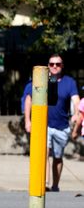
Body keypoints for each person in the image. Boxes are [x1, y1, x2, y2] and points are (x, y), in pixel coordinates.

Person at [24, 54, 80, 192]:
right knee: (43, 153)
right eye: (51, 64)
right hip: (44, 125)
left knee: (57, 158)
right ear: (48, 65)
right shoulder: (41, 80)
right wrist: (27, 120)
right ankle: (44, 184)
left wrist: (77, 114)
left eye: (58, 64)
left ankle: (55, 185)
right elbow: (29, 99)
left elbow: (76, 101)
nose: (54, 66)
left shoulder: (69, 82)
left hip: (62, 127)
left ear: (62, 66)